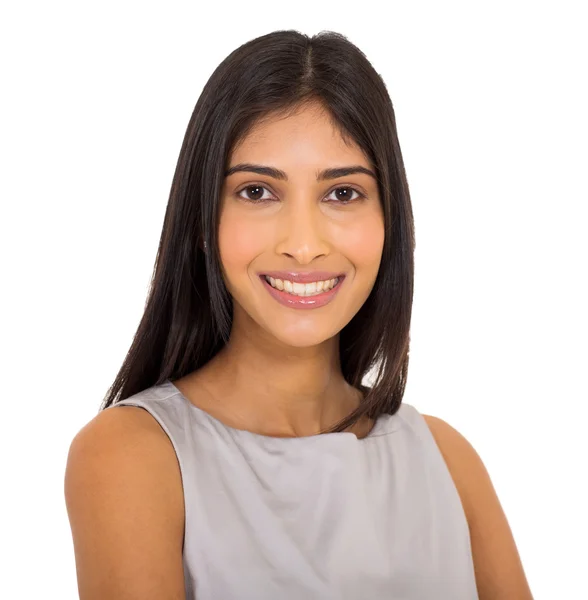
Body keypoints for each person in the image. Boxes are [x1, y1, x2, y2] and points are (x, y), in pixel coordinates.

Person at [64, 29, 533, 600]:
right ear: (203, 220)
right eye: (258, 192)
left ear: (391, 222)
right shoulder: (132, 456)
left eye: (342, 194)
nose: (303, 245)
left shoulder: (448, 462)